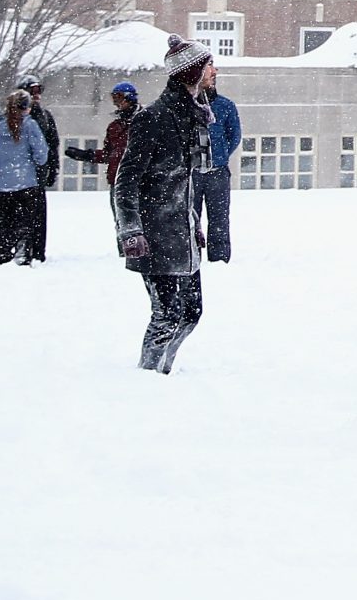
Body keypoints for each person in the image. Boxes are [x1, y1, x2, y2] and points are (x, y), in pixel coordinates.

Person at [115, 38, 218, 373]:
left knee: (192, 313)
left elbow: (186, 183)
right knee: (166, 315)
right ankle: (148, 376)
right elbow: (125, 181)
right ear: (192, 72)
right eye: (208, 66)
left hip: (184, 234)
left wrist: (196, 226)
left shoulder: (197, 116)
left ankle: (164, 370)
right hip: (155, 236)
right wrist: (131, 232)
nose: (213, 71)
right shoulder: (153, 119)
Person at [0, 90, 51, 266]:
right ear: (27, 107)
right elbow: (42, 154)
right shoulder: (30, 125)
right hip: (26, 182)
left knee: (3, 224)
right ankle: (21, 255)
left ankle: (0, 253)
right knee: (25, 225)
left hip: (1, 184)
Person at [64, 82, 140, 206]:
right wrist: (86, 155)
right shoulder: (114, 127)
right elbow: (108, 154)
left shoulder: (144, 122)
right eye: (114, 98)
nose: (116, 102)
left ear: (130, 98)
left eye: (119, 97)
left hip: (138, 183)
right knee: (120, 222)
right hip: (117, 182)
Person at [197, 74, 241, 263]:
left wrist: (219, 156)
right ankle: (193, 255)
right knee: (191, 217)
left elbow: (234, 136)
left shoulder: (225, 106)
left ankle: (219, 257)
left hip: (218, 172)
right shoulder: (189, 107)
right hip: (193, 172)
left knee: (219, 218)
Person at [16, 75, 59, 262]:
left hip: (38, 174)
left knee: (38, 216)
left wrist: (53, 168)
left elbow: (52, 144)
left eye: (38, 91)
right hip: (18, 176)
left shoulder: (45, 116)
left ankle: (38, 251)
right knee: (18, 216)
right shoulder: (13, 117)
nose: (36, 96)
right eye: (32, 91)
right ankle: (20, 250)